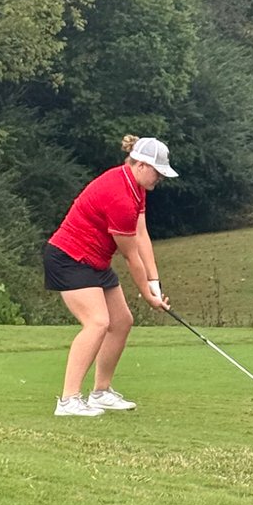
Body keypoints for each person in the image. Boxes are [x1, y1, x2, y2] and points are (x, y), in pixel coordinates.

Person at [43, 134, 177, 416]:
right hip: (69, 258)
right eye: (157, 172)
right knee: (97, 322)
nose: (159, 179)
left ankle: (101, 392)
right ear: (140, 165)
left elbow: (142, 235)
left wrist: (155, 283)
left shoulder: (136, 187)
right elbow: (130, 256)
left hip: (95, 261)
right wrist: (149, 297)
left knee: (122, 321)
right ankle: (68, 400)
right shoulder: (119, 196)